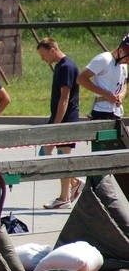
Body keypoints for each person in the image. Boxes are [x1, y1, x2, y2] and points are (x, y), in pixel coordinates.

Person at [36, 38, 84, 209]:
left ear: (52, 50)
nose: (43, 59)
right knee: (45, 153)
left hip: (65, 119)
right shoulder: (60, 66)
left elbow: (65, 98)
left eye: (43, 55)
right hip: (57, 117)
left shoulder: (66, 67)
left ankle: (64, 198)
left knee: (63, 158)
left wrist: (56, 125)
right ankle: (75, 182)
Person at [76, 33, 129, 121]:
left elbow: (124, 84)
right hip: (102, 112)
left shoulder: (123, 65)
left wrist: (121, 95)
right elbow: (81, 79)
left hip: (117, 112)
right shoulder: (104, 59)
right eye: (127, 59)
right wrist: (105, 94)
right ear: (121, 51)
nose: (127, 62)